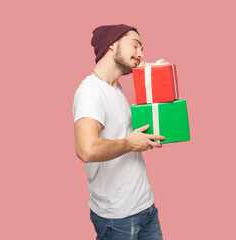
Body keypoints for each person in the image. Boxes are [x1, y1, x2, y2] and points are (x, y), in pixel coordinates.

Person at [73, 24, 164, 240]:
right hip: (118, 218)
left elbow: (122, 136)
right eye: (135, 45)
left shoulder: (116, 87)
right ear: (112, 45)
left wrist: (145, 140)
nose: (140, 54)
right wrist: (130, 144)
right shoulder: (90, 93)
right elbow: (86, 149)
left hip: (146, 207)